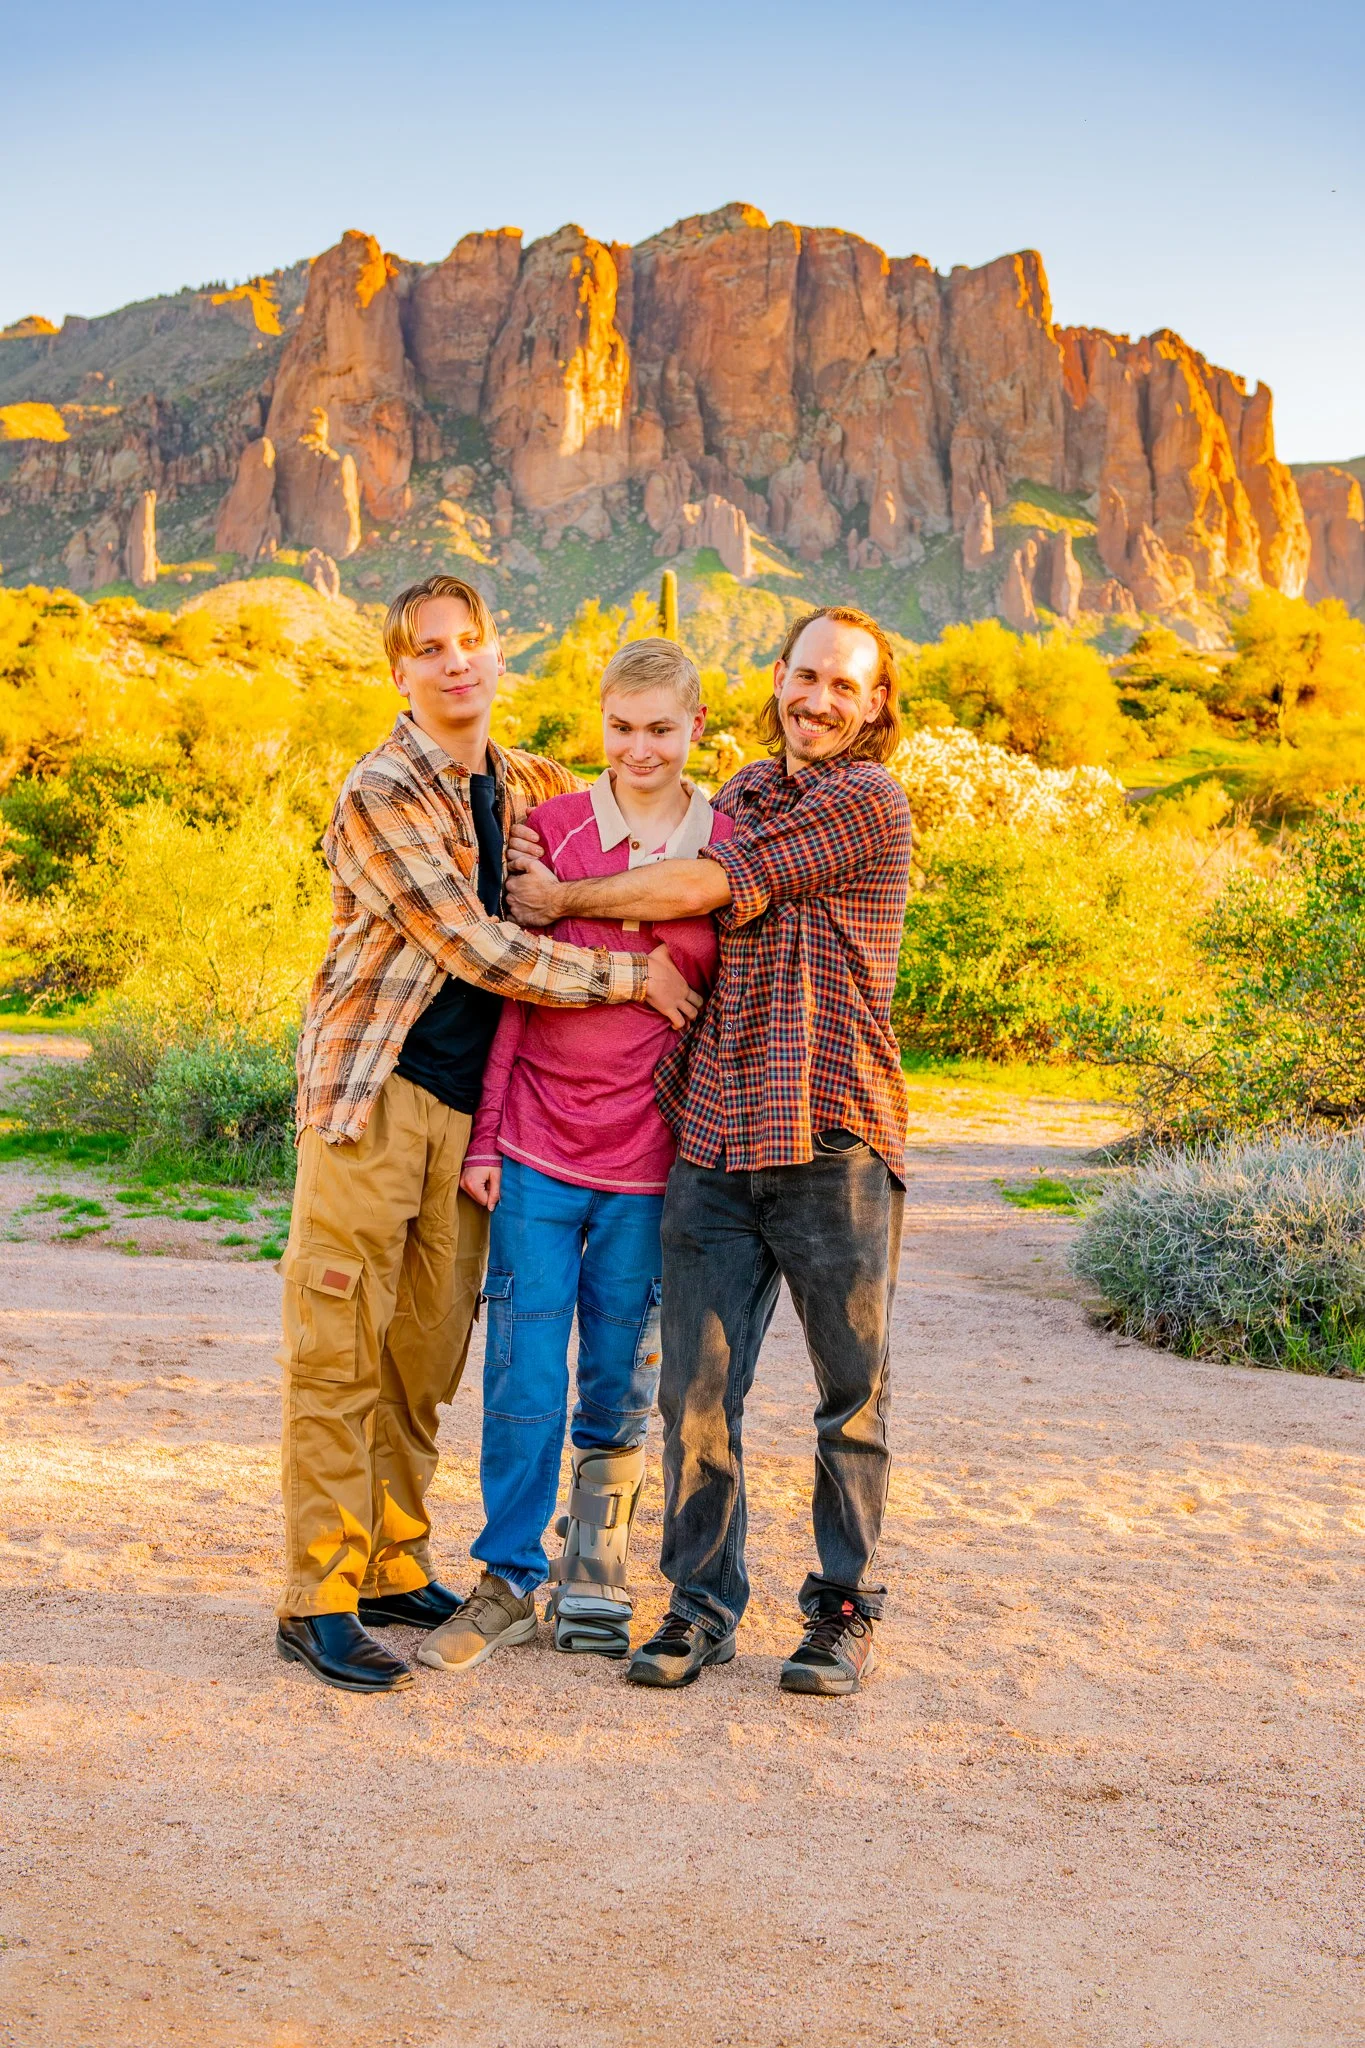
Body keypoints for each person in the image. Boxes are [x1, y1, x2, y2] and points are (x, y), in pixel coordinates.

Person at [275, 575, 699, 1696]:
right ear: (400, 669)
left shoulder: (525, 785)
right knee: (339, 1348)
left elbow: (626, 817)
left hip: (470, 1118)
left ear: (495, 651)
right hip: (373, 1099)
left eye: (471, 641)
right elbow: (480, 946)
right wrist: (630, 973)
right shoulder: (381, 789)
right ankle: (315, 1594)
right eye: (431, 647)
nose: (456, 662)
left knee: (424, 1351)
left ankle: (390, 1559)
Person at [507, 605, 913, 1698]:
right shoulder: (734, 796)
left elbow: (699, 888)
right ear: (777, 676)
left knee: (849, 1393)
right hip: (720, 1135)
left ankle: (840, 1612)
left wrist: (563, 898)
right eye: (806, 676)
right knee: (695, 1388)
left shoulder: (869, 800)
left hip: (834, 1136)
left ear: (873, 704)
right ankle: (700, 1604)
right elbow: (644, 812)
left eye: (845, 686)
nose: (819, 699)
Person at [413, 638, 733, 1674]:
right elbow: (513, 987)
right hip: (539, 1149)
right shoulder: (551, 832)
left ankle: (594, 1564)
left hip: (651, 1160)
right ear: (600, 721)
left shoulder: (720, 847)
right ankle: (507, 1577)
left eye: (661, 728)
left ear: (693, 730)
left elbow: (725, 1006)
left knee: (615, 1370)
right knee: (519, 1369)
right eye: (621, 726)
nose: (639, 748)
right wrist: (488, 1132)